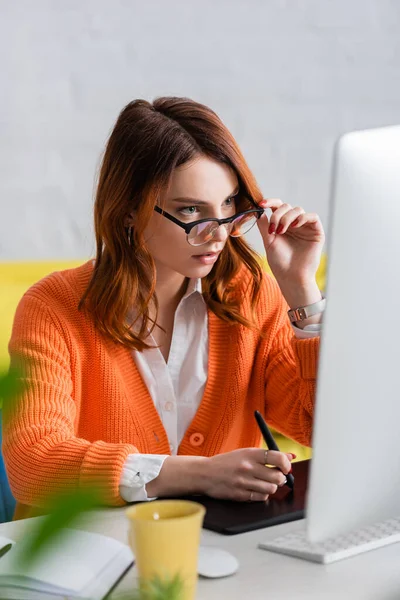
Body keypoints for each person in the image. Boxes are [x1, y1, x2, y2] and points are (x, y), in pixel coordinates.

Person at [3, 97, 325, 520]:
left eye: (228, 206)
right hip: (83, 560)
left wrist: (302, 290)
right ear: (129, 211)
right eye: (191, 210)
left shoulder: (250, 294)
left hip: (217, 551)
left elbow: (318, 428)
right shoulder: (54, 308)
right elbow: (34, 463)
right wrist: (198, 475)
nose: (219, 235)